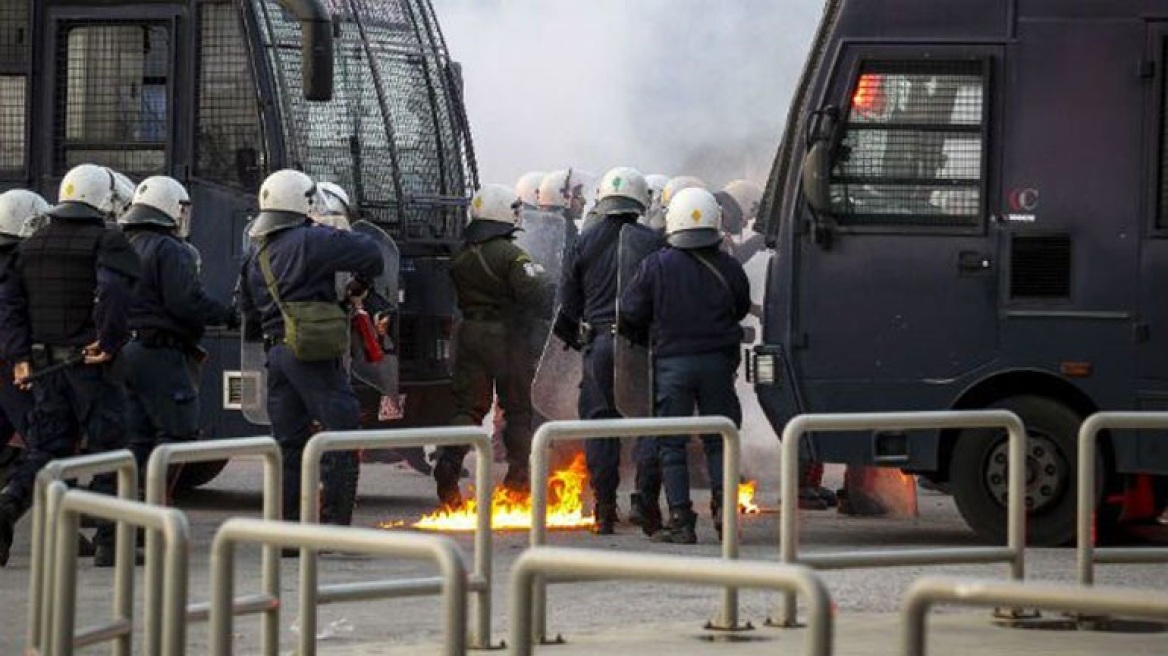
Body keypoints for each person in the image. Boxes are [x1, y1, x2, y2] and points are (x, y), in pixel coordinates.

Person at [0, 163, 141, 566]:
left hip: (44, 366)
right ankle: (111, 542)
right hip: (89, 363)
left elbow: (11, 306)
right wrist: (110, 341)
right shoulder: (108, 240)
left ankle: (8, 505)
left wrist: (20, 358)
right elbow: (113, 292)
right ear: (103, 200)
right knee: (111, 449)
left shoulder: (31, 244)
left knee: (46, 450)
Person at [238, 169, 383, 538]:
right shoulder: (309, 240)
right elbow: (371, 253)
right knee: (342, 430)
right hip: (311, 353)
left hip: (277, 358)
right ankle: (334, 526)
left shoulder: (258, 253)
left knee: (288, 445)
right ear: (303, 203)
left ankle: (287, 531)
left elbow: (245, 310)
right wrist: (358, 285)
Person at [619, 187, 751, 544]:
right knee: (720, 441)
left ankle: (681, 521)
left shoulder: (655, 265)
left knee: (671, 444)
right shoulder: (729, 266)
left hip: (672, 366)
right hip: (718, 366)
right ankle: (724, 513)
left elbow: (630, 312)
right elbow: (740, 307)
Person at [118, 176, 236, 499]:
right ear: (168, 208)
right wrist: (228, 315)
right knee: (178, 433)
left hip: (124, 350)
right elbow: (186, 301)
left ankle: (120, 526)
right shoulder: (170, 249)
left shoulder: (120, 244)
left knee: (137, 438)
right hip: (161, 353)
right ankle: (153, 510)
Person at [433, 184, 551, 506]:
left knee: (468, 408)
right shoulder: (510, 254)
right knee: (517, 408)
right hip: (506, 336)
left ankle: (447, 465)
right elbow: (535, 293)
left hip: (468, 333)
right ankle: (517, 481)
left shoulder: (460, 252)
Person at [554, 166, 657, 534]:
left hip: (597, 345)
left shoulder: (585, 240)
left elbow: (568, 301)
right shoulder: (652, 241)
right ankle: (645, 503)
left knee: (600, 425)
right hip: (639, 346)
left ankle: (603, 509)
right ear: (640, 200)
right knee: (649, 423)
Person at [0, 190, 48, 565]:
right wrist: (21, 360)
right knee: (42, 443)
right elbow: (12, 318)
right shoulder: (18, 265)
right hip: (11, 367)